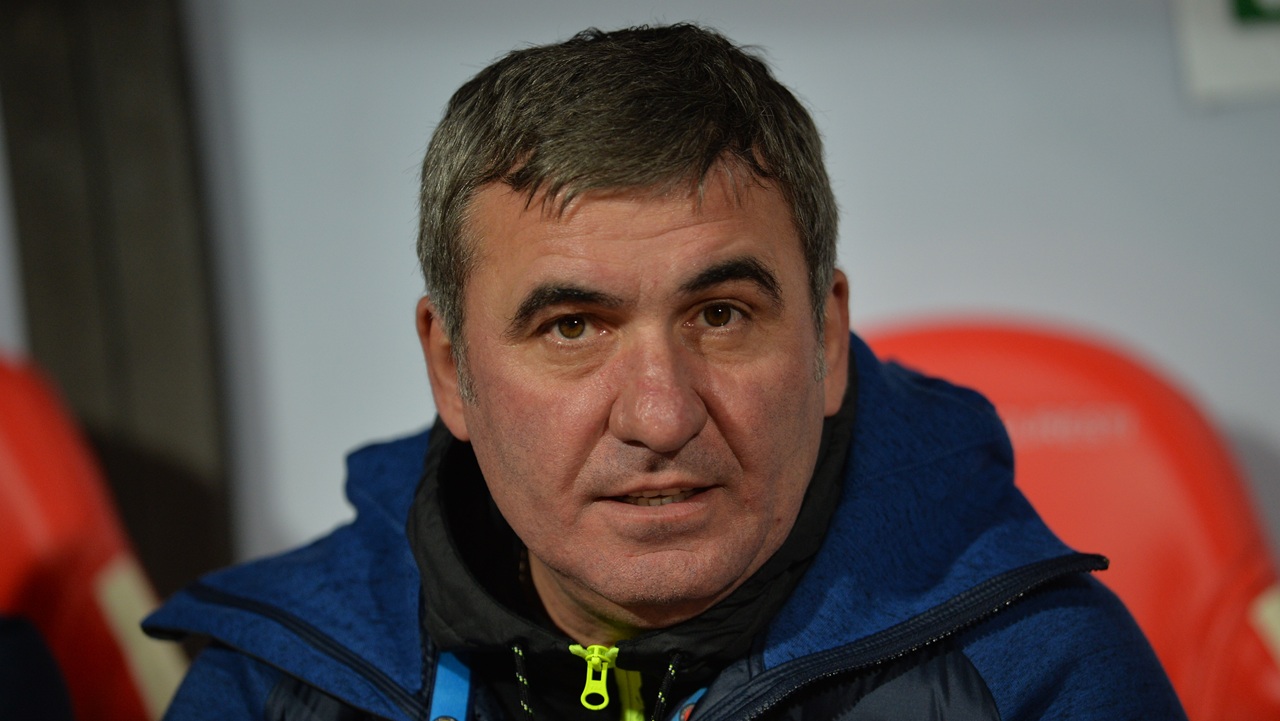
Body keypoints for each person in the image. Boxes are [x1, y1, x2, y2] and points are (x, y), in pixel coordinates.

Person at [145, 23, 1186, 720]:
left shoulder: (1040, 676)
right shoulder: (271, 688)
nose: (658, 413)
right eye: (571, 327)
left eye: (720, 315)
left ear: (827, 341)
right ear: (451, 369)